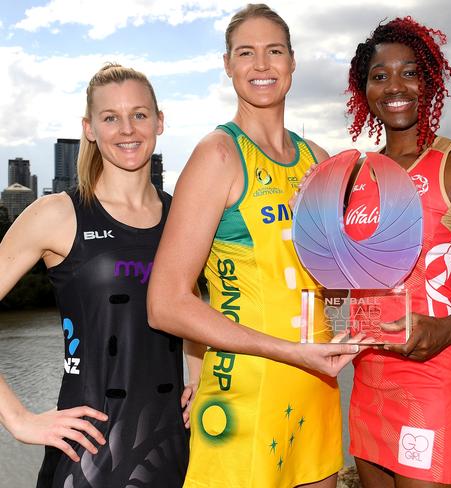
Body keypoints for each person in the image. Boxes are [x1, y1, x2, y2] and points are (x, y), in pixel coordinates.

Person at [146, 4, 360, 488]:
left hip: (315, 385)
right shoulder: (217, 156)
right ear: (228, 65)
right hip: (242, 393)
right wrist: (285, 350)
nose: (262, 65)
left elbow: (333, 286)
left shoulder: (317, 160)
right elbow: (166, 304)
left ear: (292, 62)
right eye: (247, 52)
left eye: (274, 51)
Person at [0, 63, 200, 487]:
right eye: (111, 117)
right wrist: (18, 419)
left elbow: (191, 308)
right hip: (88, 455)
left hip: (175, 447)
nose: (127, 129)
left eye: (140, 114)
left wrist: (200, 377)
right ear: (90, 128)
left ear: (160, 121)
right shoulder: (56, 214)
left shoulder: (185, 216)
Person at [343, 17, 451, 488]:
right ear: (365, 91)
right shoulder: (354, 176)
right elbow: (344, 281)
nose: (394, 86)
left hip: (437, 377)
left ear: (431, 81)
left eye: (410, 72)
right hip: (369, 379)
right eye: (379, 76)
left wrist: (447, 328)